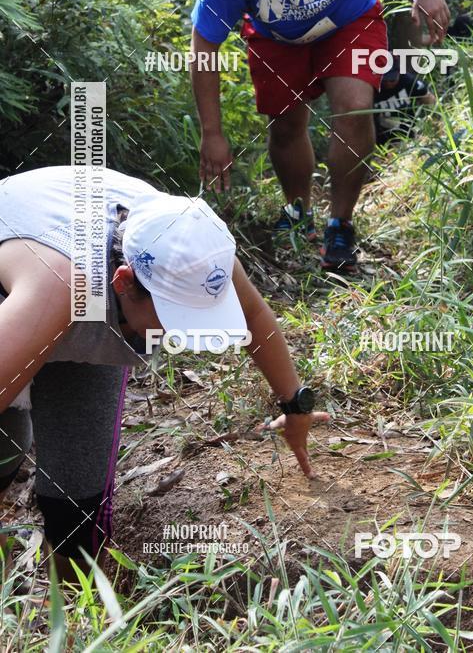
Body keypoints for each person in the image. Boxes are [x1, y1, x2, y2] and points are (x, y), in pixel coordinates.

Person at [0, 166, 326, 585]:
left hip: (75, 286)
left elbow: (254, 315)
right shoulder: (62, 286)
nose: (182, 334)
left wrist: (295, 405)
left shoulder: (195, 254)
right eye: (175, 317)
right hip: (22, 275)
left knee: (76, 502)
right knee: (7, 439)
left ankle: (74, 620)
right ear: (124, 283)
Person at [190, 0, 450, 272]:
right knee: (287, 125)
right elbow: (204, 45)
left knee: (354, 108)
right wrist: (213, 134)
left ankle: (340, 225)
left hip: (349, 20)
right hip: (277, 36)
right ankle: (298, 213)